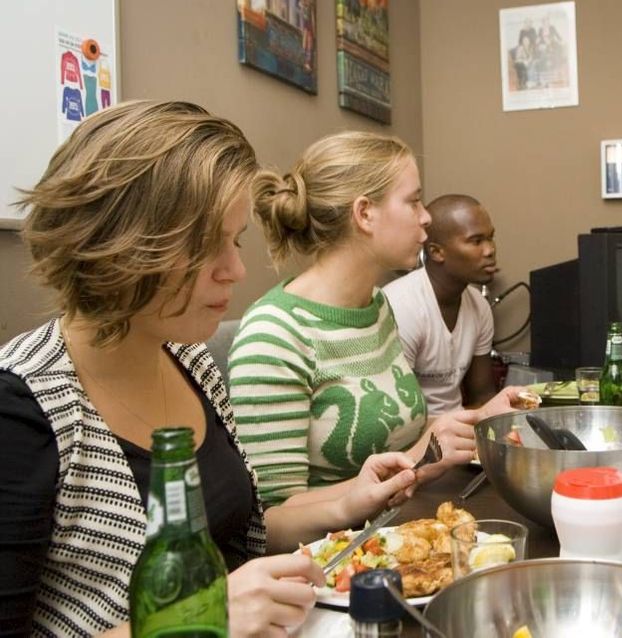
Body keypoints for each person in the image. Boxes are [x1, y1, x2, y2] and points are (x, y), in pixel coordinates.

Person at [0, 101, 417, 636]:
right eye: (206, 246)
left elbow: (242, 533)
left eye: (236, 240)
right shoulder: (23, 410)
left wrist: (342, 504)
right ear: (120, 242)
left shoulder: (188, 360)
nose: (236, 270)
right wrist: (199, 616)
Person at [230, 132, 521, 510]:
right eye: (414, 201)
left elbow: (395, 435)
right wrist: (420, 459)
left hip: (402, 522)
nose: (427, 217)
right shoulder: (274, 336)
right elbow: (271, 520)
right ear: (365, 213)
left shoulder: (377, 306)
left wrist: (479, 418)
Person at [383, 194, 498, 416]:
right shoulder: (401, 306)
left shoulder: (479, 307)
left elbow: (482, 397)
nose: (489, 250)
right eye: (476, 241)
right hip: (412, 438)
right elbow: (397, 414)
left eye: (490, 238)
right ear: (436, 252)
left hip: (459, 433)